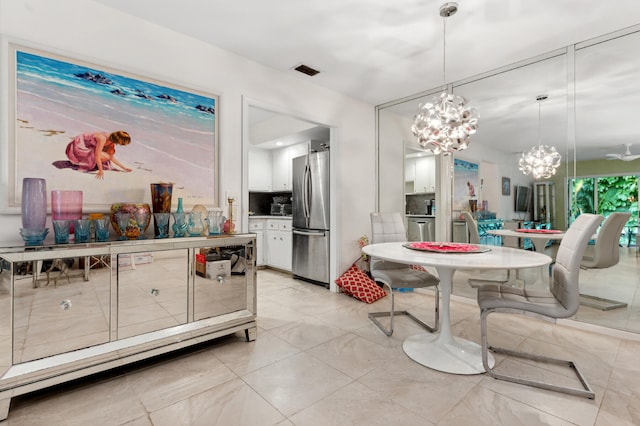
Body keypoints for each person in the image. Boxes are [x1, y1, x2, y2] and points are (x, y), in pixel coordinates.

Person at [65, 131, 132, 179]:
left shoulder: (111, 140)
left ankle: (90, 162)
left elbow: (110, 156)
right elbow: (97, 155)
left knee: (107, 156)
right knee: (104, 156)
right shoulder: (102, 138)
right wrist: (100, 170)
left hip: (88, 146)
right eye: (122, 143)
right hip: (79, 147)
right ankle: (85, 162)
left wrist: (124, 168)